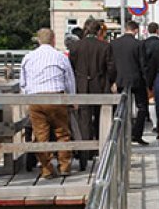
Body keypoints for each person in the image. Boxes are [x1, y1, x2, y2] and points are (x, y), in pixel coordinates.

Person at [20, 28, 76, 178]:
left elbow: (23, 83)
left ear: (38, 40)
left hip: (36, 99)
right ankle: (64, 166)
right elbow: (69, 80)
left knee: (40, 135)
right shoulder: (60, 56)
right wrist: (72, 99)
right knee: (62, 133)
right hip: (56, 98)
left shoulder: (28, 57)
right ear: (53, 40)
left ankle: (46, 168)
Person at [70, 18, 116, 167]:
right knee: (100, 117)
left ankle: (85, 152)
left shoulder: (76, 46)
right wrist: (111, 81)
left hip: (81, 85)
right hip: (100, 85)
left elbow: (71, 67)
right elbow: (111, 67)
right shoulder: (104, 46)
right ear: (98, 31)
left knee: (84, 119)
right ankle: (100, 147)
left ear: (85, 30)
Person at [110, 20, 150, 145]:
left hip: (120, 80)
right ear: (136, 30)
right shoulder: (139, 44)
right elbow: (143, 64)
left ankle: (120, 134)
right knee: (142, 107)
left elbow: (111, 64)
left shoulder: (114, 43)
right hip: (136, 80)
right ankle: (136, 134)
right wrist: (148, 82)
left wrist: (113, 81)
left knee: (120, 108)